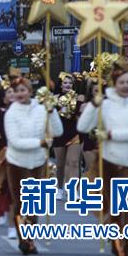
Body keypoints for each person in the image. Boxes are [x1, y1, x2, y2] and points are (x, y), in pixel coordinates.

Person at [77, 60, 128, 256]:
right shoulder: (105, 104)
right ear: (114, 84)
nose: (125, 86)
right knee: (114, 207)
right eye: (121, 82)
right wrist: (93, 106)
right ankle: (117, 240)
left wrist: (111, 134)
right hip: (110, 160)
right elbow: (83, 127)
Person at [4, 73, 63, 255]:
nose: (21, 93)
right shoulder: (11, 113)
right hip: (17, 162)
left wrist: (52, 112)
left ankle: (30, 238)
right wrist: (39, 143)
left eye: (24, 90)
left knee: (35, 203)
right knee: (20, 202)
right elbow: (15, 141)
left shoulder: (41, 109)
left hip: (38, 161)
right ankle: (24, 239)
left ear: (30, 91)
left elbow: (57, 131)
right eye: (17, 91)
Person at [52, 73, 81, 201]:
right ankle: (59, 188)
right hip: (59, 133)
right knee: (60, 163)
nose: (68, 85)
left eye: (70, 83)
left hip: (74, 133)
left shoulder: (78, 98)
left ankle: (73, 190)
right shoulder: (54, 98)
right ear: (61, 84)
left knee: (74, 162)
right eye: (65, 82)